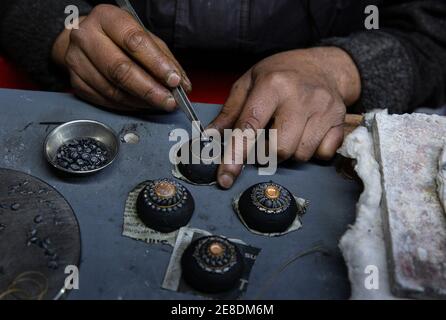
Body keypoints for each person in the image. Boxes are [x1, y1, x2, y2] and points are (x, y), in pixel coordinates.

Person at [1, 0, 445, 188]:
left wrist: (345, 66)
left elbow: (434, 25)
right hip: (108, 85)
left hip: (317, 104)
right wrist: (63, 29)